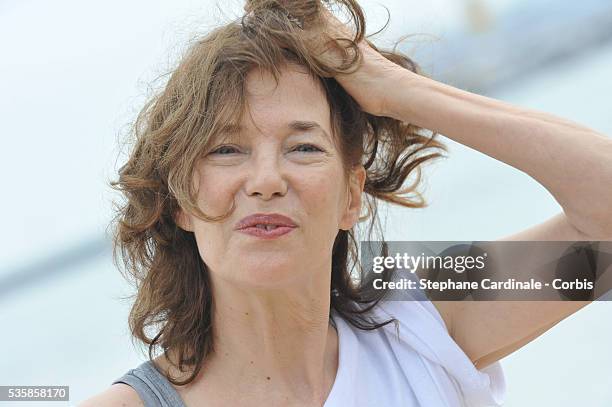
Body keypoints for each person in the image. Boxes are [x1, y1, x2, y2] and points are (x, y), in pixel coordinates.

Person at [79, 0, 612, 406]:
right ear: (179, 203)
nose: (267, 180)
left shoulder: (422, 324)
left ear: (351, 197)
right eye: (226, 149)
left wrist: (389, 87)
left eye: (304, 146)